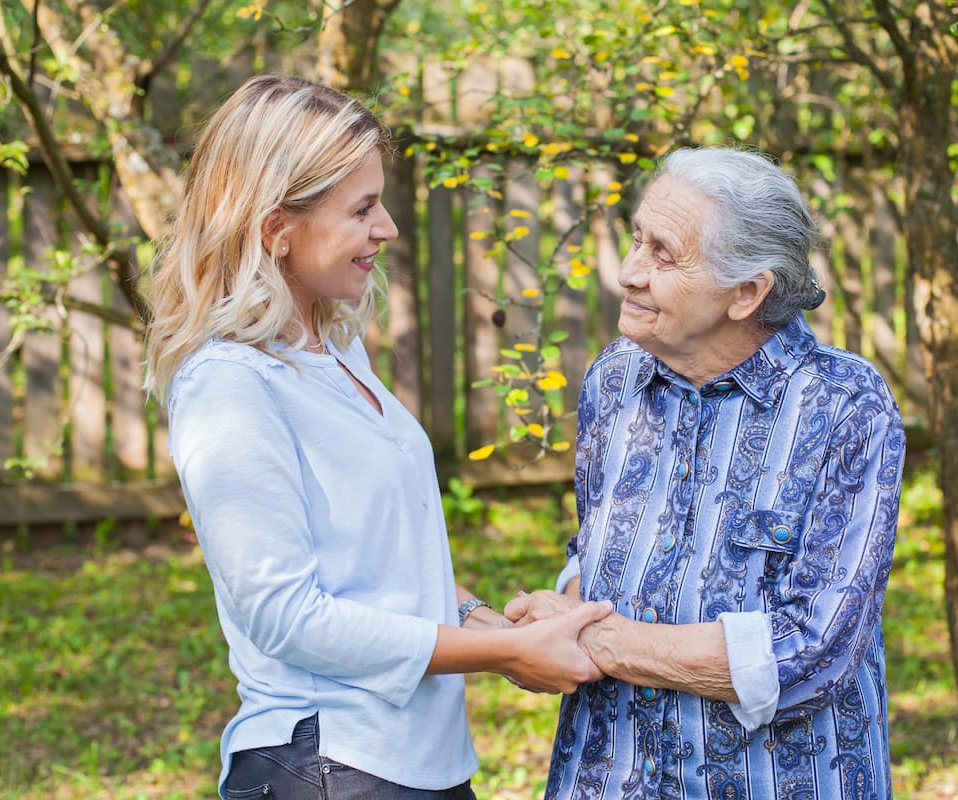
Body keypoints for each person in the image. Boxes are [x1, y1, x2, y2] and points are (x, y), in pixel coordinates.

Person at [143, 74, 612, 800]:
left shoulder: (333, 352)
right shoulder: (230, 383)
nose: (388, 226)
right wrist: (499, 651)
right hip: (329, 763)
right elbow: (287, 618)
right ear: (278, 230)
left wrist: (492, 624)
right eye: (362, 208)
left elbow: (381, 567)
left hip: (414, 765)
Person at [506, 146, 906, 799]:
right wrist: (554, 623)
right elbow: (597, 548)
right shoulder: (616, 378)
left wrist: (600, 641)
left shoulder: (844, 405)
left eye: (663, 254)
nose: (628, 273)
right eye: (636, 241)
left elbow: (810, 651)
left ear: (747, 292)